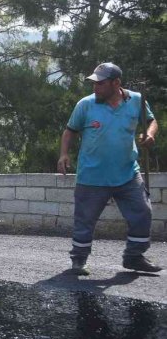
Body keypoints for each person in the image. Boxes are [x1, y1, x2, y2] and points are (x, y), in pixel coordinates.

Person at [57, 62, 160, 275]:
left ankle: (134, 257)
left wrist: (150, 135)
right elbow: (69, 131)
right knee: (84, 220)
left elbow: (151, 120)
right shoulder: (85, 105)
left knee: (142, 212)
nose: (95, 88)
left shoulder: (137, 101)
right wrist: (64, 154)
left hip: (127, 173)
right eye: (94, 84)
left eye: (100, 84)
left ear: (116, 83)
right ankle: (79, 260)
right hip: (92, 176)